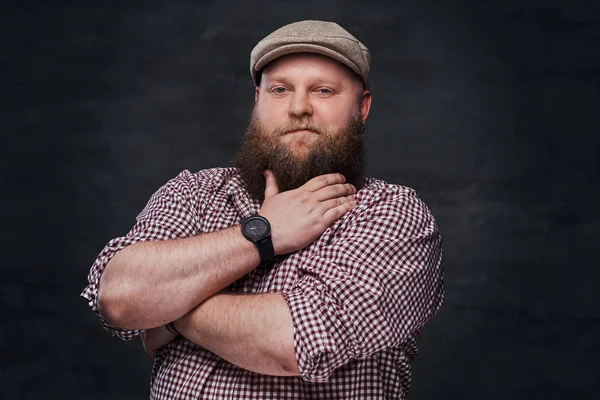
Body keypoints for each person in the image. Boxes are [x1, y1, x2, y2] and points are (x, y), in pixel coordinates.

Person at [81, 20, 444, 399]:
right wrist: (264, 232)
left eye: (323, 91)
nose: (299, 107)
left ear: (362, 107)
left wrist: (169, 312)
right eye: (280, 89)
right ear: (258, 99)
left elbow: (292, 344)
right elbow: (120, 296)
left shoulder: (394, 214)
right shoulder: (194, 193)